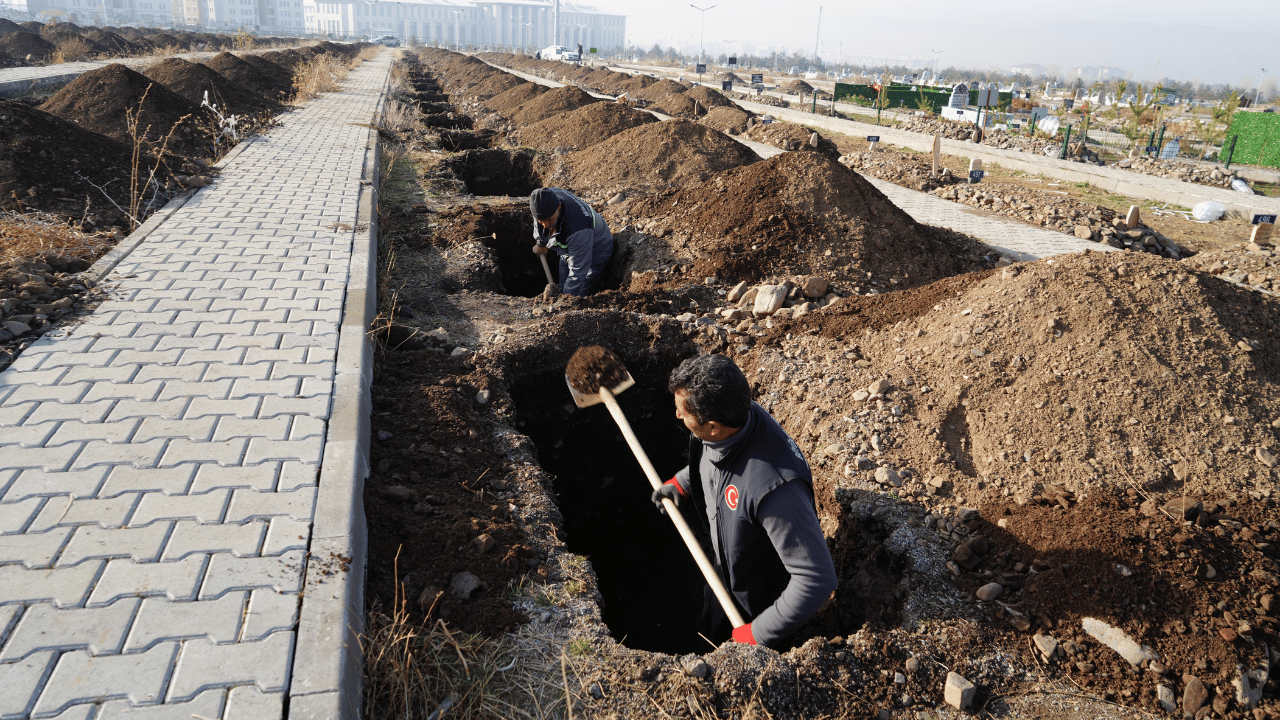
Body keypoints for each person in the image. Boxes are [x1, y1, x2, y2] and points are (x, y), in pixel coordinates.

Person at [653, 354, 837, 650]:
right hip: (726, 569)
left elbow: (816, 579)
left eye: (681, 412)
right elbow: (716, 458)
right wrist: (682, 482)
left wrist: (760, 632)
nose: (677, 416)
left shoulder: (776, 490)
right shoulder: (734, 418)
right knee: (710, 632)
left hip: (757, 600)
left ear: (712, 426)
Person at [529, 187, 613, 296]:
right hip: (569, 249)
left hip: (596, 252)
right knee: (563, 285)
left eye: (549, 219)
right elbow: (540, 219)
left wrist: (564, 300)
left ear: (558, 207)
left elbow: (577, 274)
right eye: (541, 222)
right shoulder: (542, 200)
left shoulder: (578, 228)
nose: (545, 225)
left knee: (579, 293)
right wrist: (541, 243)